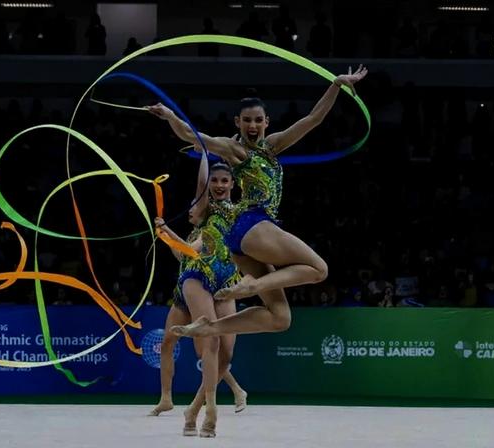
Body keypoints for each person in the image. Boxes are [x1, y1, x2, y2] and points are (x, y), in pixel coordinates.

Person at [147, 65, 367, 339]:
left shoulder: (273, 145)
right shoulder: (234, 149)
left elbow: (312, 119)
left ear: (266, 122)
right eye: (247, 120)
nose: (253, 126)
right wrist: (169, 115)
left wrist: (336, 84)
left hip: (244, 240)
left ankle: (210, 326)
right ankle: (250, 287)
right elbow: (192, 136)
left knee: (279, 318)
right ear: (237, 122)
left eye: (258, 120)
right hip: (253, 223)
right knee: (319, 269)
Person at [151, 153, 247, 437]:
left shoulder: (239, 211)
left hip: (227, 283)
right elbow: (185, 252)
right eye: (215, 181)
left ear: (232, 183)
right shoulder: (205, 218)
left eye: (224, 180)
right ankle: (197, 406)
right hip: (197, 283)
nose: (218, 184)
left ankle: (194, 408)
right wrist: (203, 149)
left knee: (226, 356)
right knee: (203, 344)